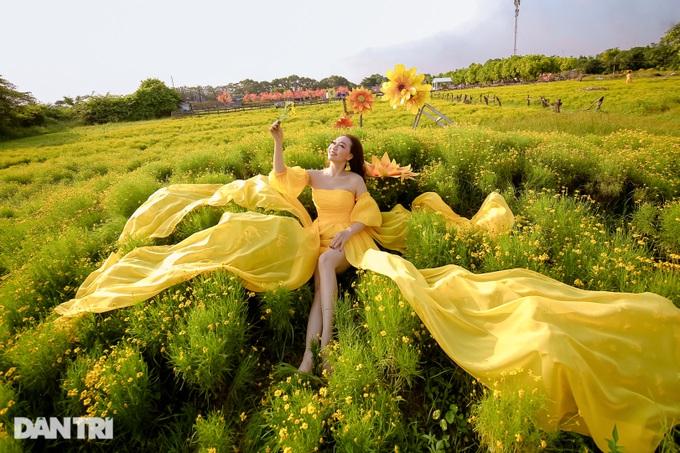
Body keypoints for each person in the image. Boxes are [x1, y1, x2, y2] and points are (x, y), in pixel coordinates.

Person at [269, 119, 377, 373]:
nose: (334, 147)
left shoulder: (354, 180)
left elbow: (368, 212)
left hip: (347, 238)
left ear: (349, 156)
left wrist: (349, 231)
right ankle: (308, 357)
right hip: (320, 237)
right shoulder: (314, 176)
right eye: (332, 143)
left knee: (326, 261)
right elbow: (281, 176)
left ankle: (328, 344)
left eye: (341, 146)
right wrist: (278, 142)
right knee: (319, 293)